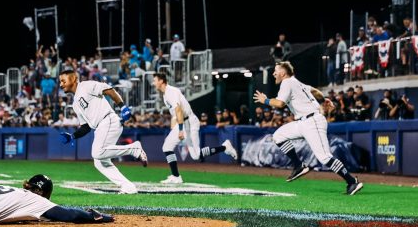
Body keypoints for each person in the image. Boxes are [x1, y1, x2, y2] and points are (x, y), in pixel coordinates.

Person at [253, 61, 364, 195]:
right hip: (303, 122)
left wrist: (265, 100)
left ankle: (352, 181)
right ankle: (298, 165)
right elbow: (314, 91)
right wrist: (324, 99)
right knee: (278, 136)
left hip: (312, 122)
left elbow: (280, 103)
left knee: (324, 157)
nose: (273, 73)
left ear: (283, 73)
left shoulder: (287, 82)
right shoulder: (296, 82)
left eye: (276, 71)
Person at [57, 68, 148, 194]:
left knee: (97, 152)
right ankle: (128, 187)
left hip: (108, 120)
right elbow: (86, 127)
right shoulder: (75, 104)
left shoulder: (86, 86)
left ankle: (134, 149)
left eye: (63, 80)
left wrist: (122, 106)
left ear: (73, 79)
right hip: (100, 127)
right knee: (99, 162)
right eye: (60, 82)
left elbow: (109, 90)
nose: (61, 84)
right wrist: (72, 136)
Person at [153, 72, 237, 183]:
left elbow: (179, 110)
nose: (153, 83)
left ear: (161, 81)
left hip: (189, 123)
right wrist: (176, 124)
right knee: (170, 148)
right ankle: (176, 176)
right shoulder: (165, 94)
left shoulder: (170, 91)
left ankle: (225, 147)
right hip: (184, 122)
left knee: (193, 154)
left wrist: (181, 129)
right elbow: (176, 113)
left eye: (155, 80)